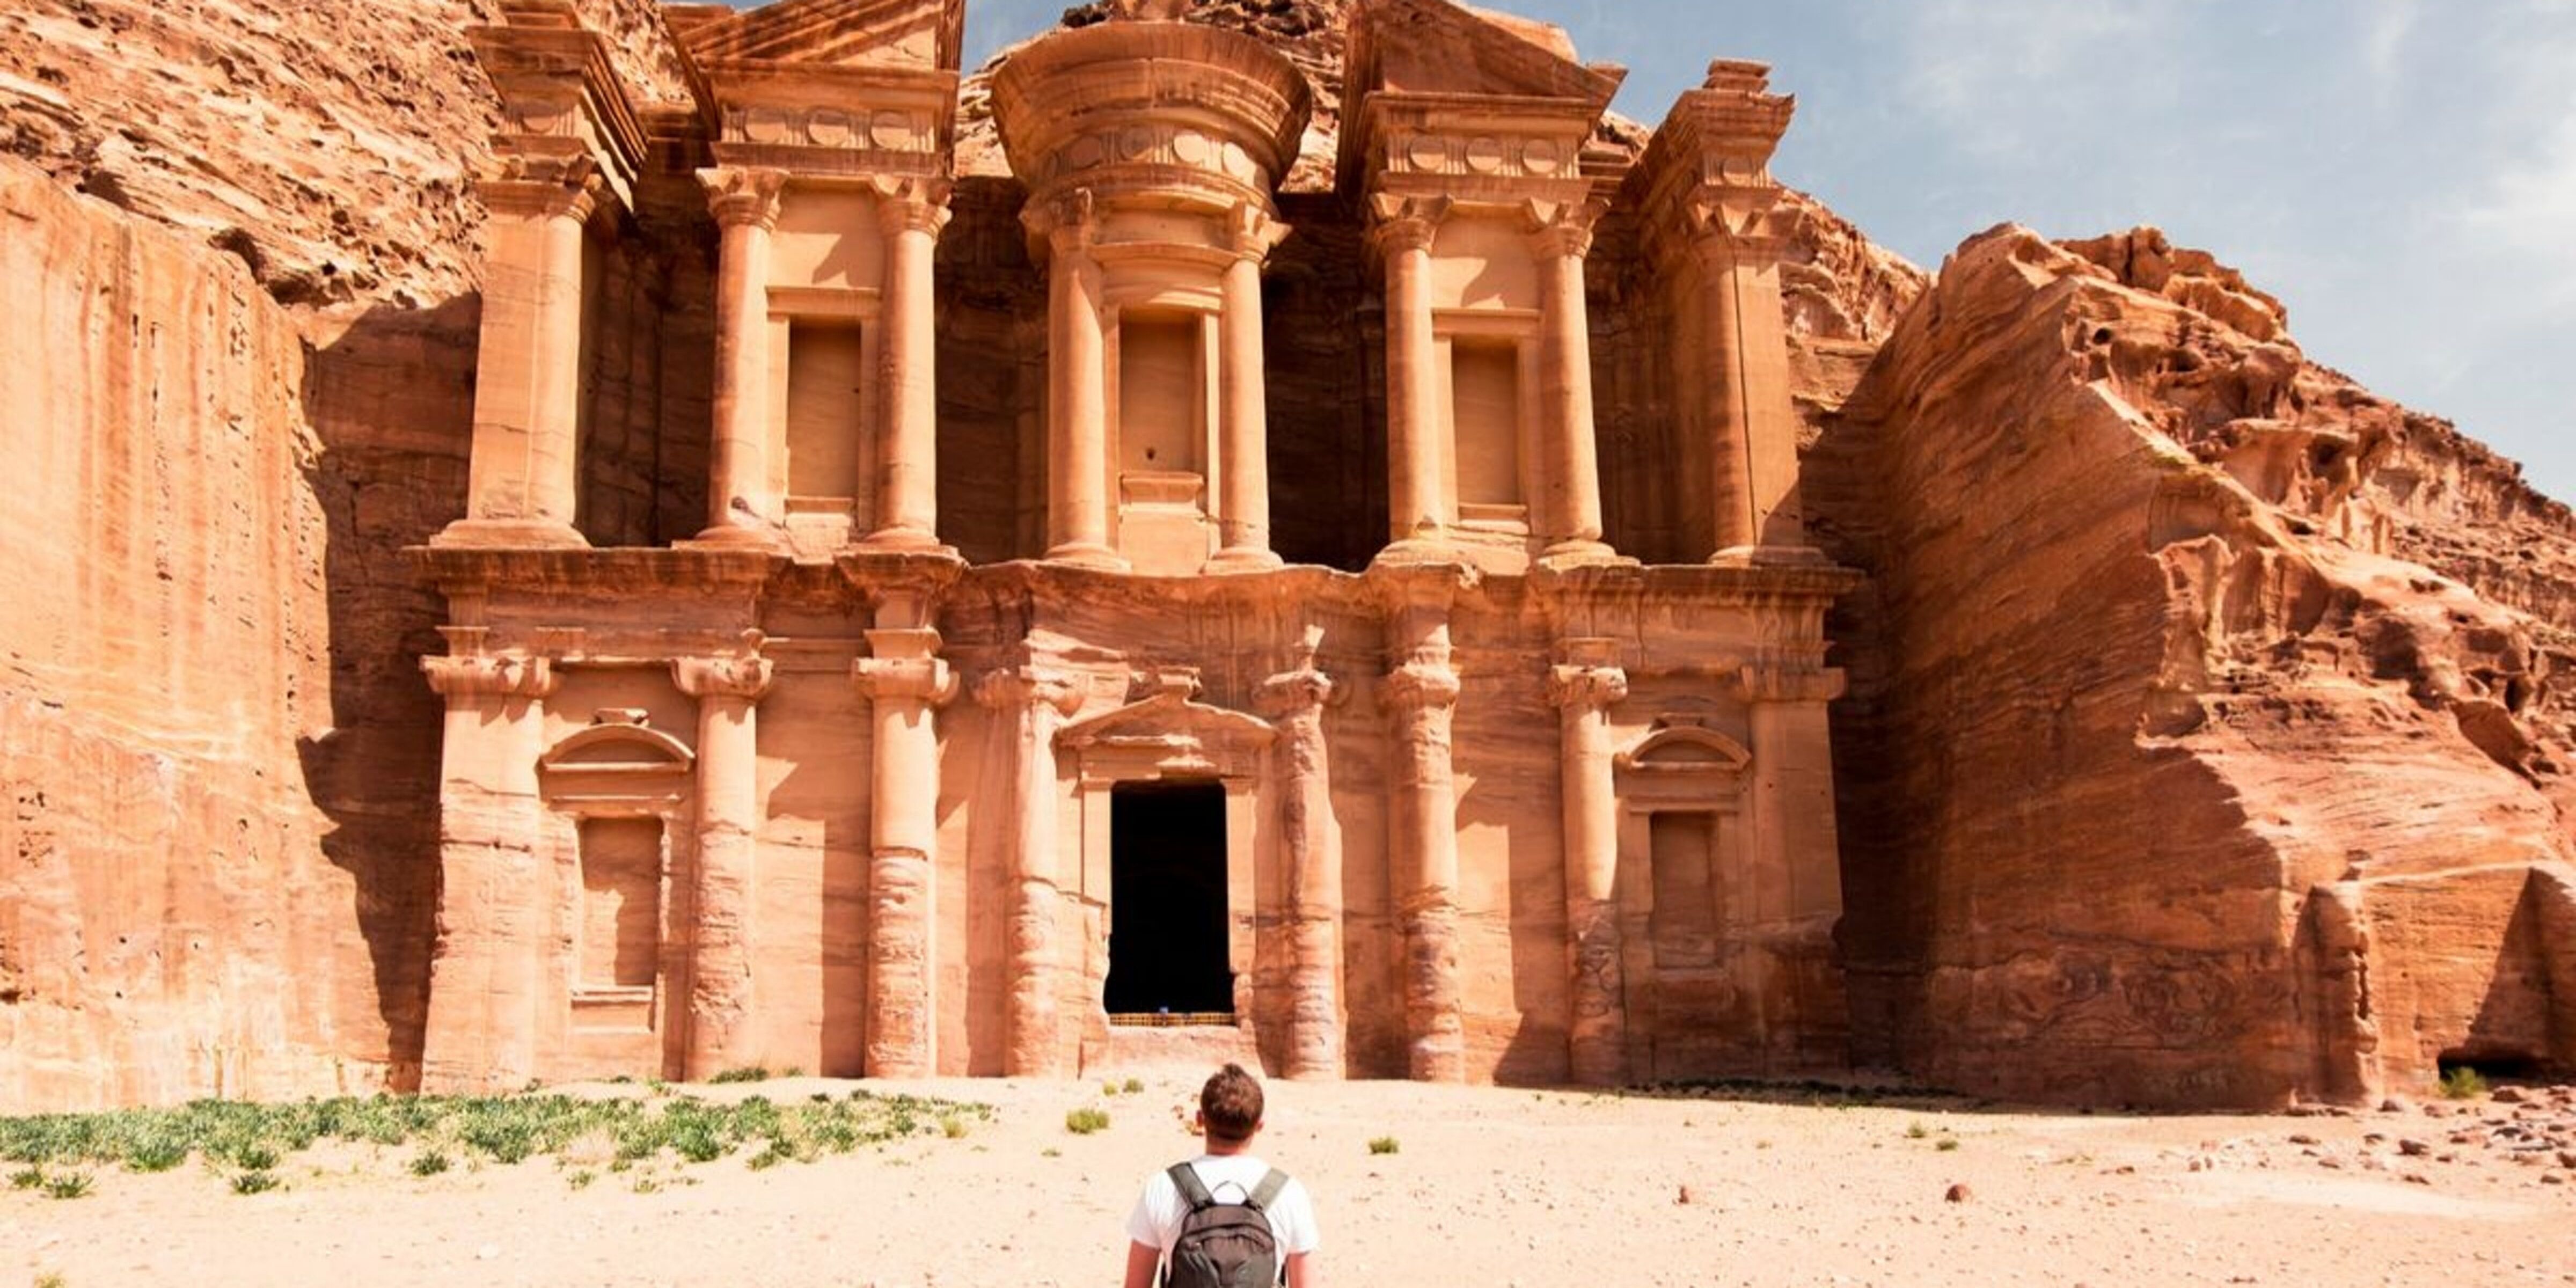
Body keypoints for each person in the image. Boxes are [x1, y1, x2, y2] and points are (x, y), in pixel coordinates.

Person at [1122, 1063, 1321, 1288]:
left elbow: (1135, 1285)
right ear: (1259, 1125)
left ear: (1199, 1120)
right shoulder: (1289, 1192)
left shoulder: (1162, 1187)